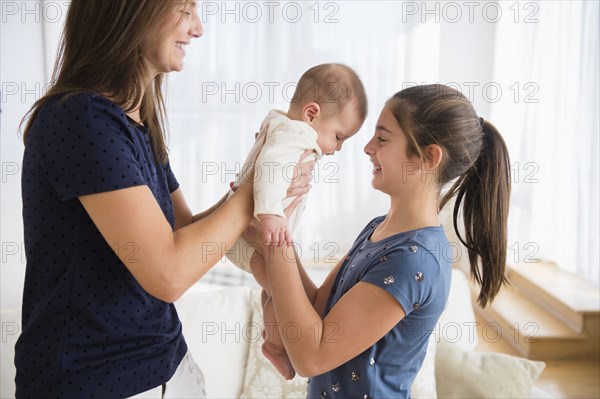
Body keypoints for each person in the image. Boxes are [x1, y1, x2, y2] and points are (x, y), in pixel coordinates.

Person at [15, 1, 313, 398]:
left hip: (168, 365)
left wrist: (265, 195)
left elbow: (181, 230)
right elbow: (168, 274)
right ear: (131, 11)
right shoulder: (81, 119)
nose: (198, 29)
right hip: (93, 381)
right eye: (186, 10)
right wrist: (257, 188)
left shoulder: (137, 120)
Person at [243, 84, 512, 398]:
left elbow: (311, 356)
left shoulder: (414, 258)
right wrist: (271, 232)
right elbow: (317, 310)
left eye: (382, 138)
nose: (367, 147)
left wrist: (275, 245)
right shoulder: (379, 229)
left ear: (429, 157)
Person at [225, 63, 367, 379]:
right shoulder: (297, 133)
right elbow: (271, 169)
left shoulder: (282, 125)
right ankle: (275, 345)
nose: (337, 148)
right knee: (289, 298)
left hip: (247, 239)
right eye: (338, 136)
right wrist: (271, 215)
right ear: (311, 114)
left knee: (275, 292)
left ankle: (273, 342)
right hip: (256, 238)